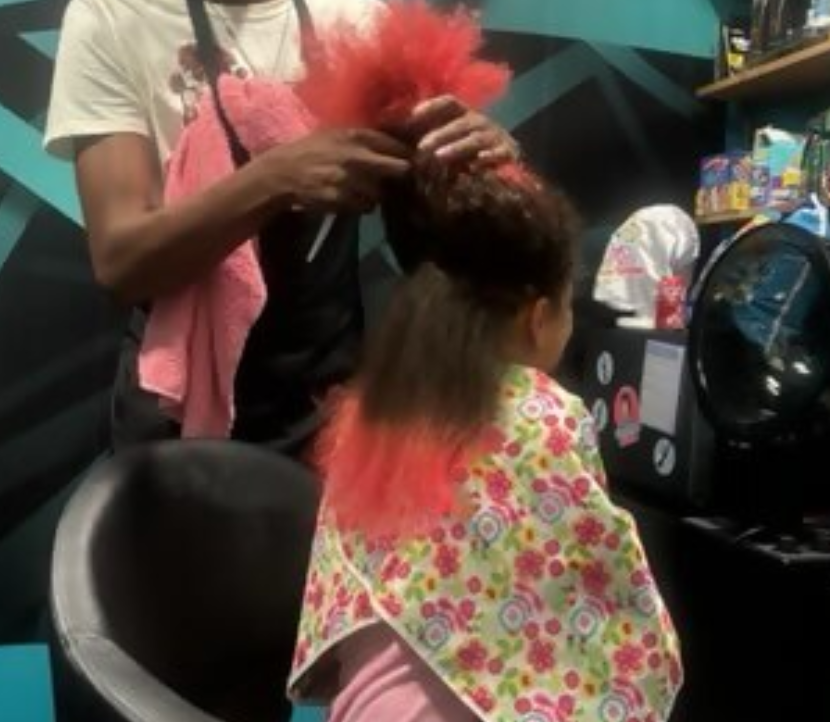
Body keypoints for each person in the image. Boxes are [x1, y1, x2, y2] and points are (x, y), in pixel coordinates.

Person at [43, 0, 515, 453]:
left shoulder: (358, 23)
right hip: (178, 422)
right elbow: (122, 260)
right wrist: (276, 178)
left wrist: (486, 161)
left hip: (331, 413)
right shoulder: (107, 20)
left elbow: (438, 247)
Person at [289, 165, 683, 722]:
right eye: (569, 306)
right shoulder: (545, 414)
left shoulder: (373, 411)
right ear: (538, 317)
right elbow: (601, 603)